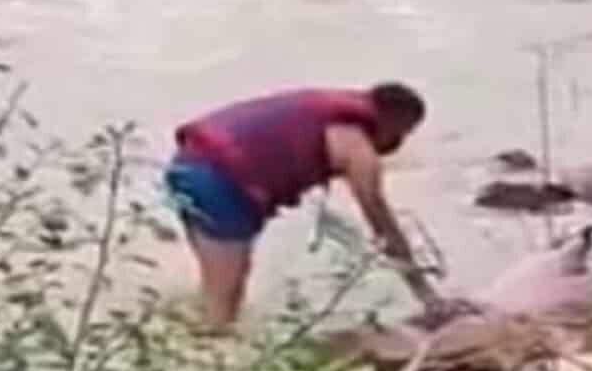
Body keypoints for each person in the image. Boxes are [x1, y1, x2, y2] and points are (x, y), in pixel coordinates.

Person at [165, 83, 452, 331]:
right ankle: (213, 360)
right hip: (220, 181)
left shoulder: (333, 112)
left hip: (187, 164)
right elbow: (383, 226)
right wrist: (426, 295)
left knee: (215, 285)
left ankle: (183, 339)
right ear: (396, 123)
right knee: (225, 299)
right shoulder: (357, 146)